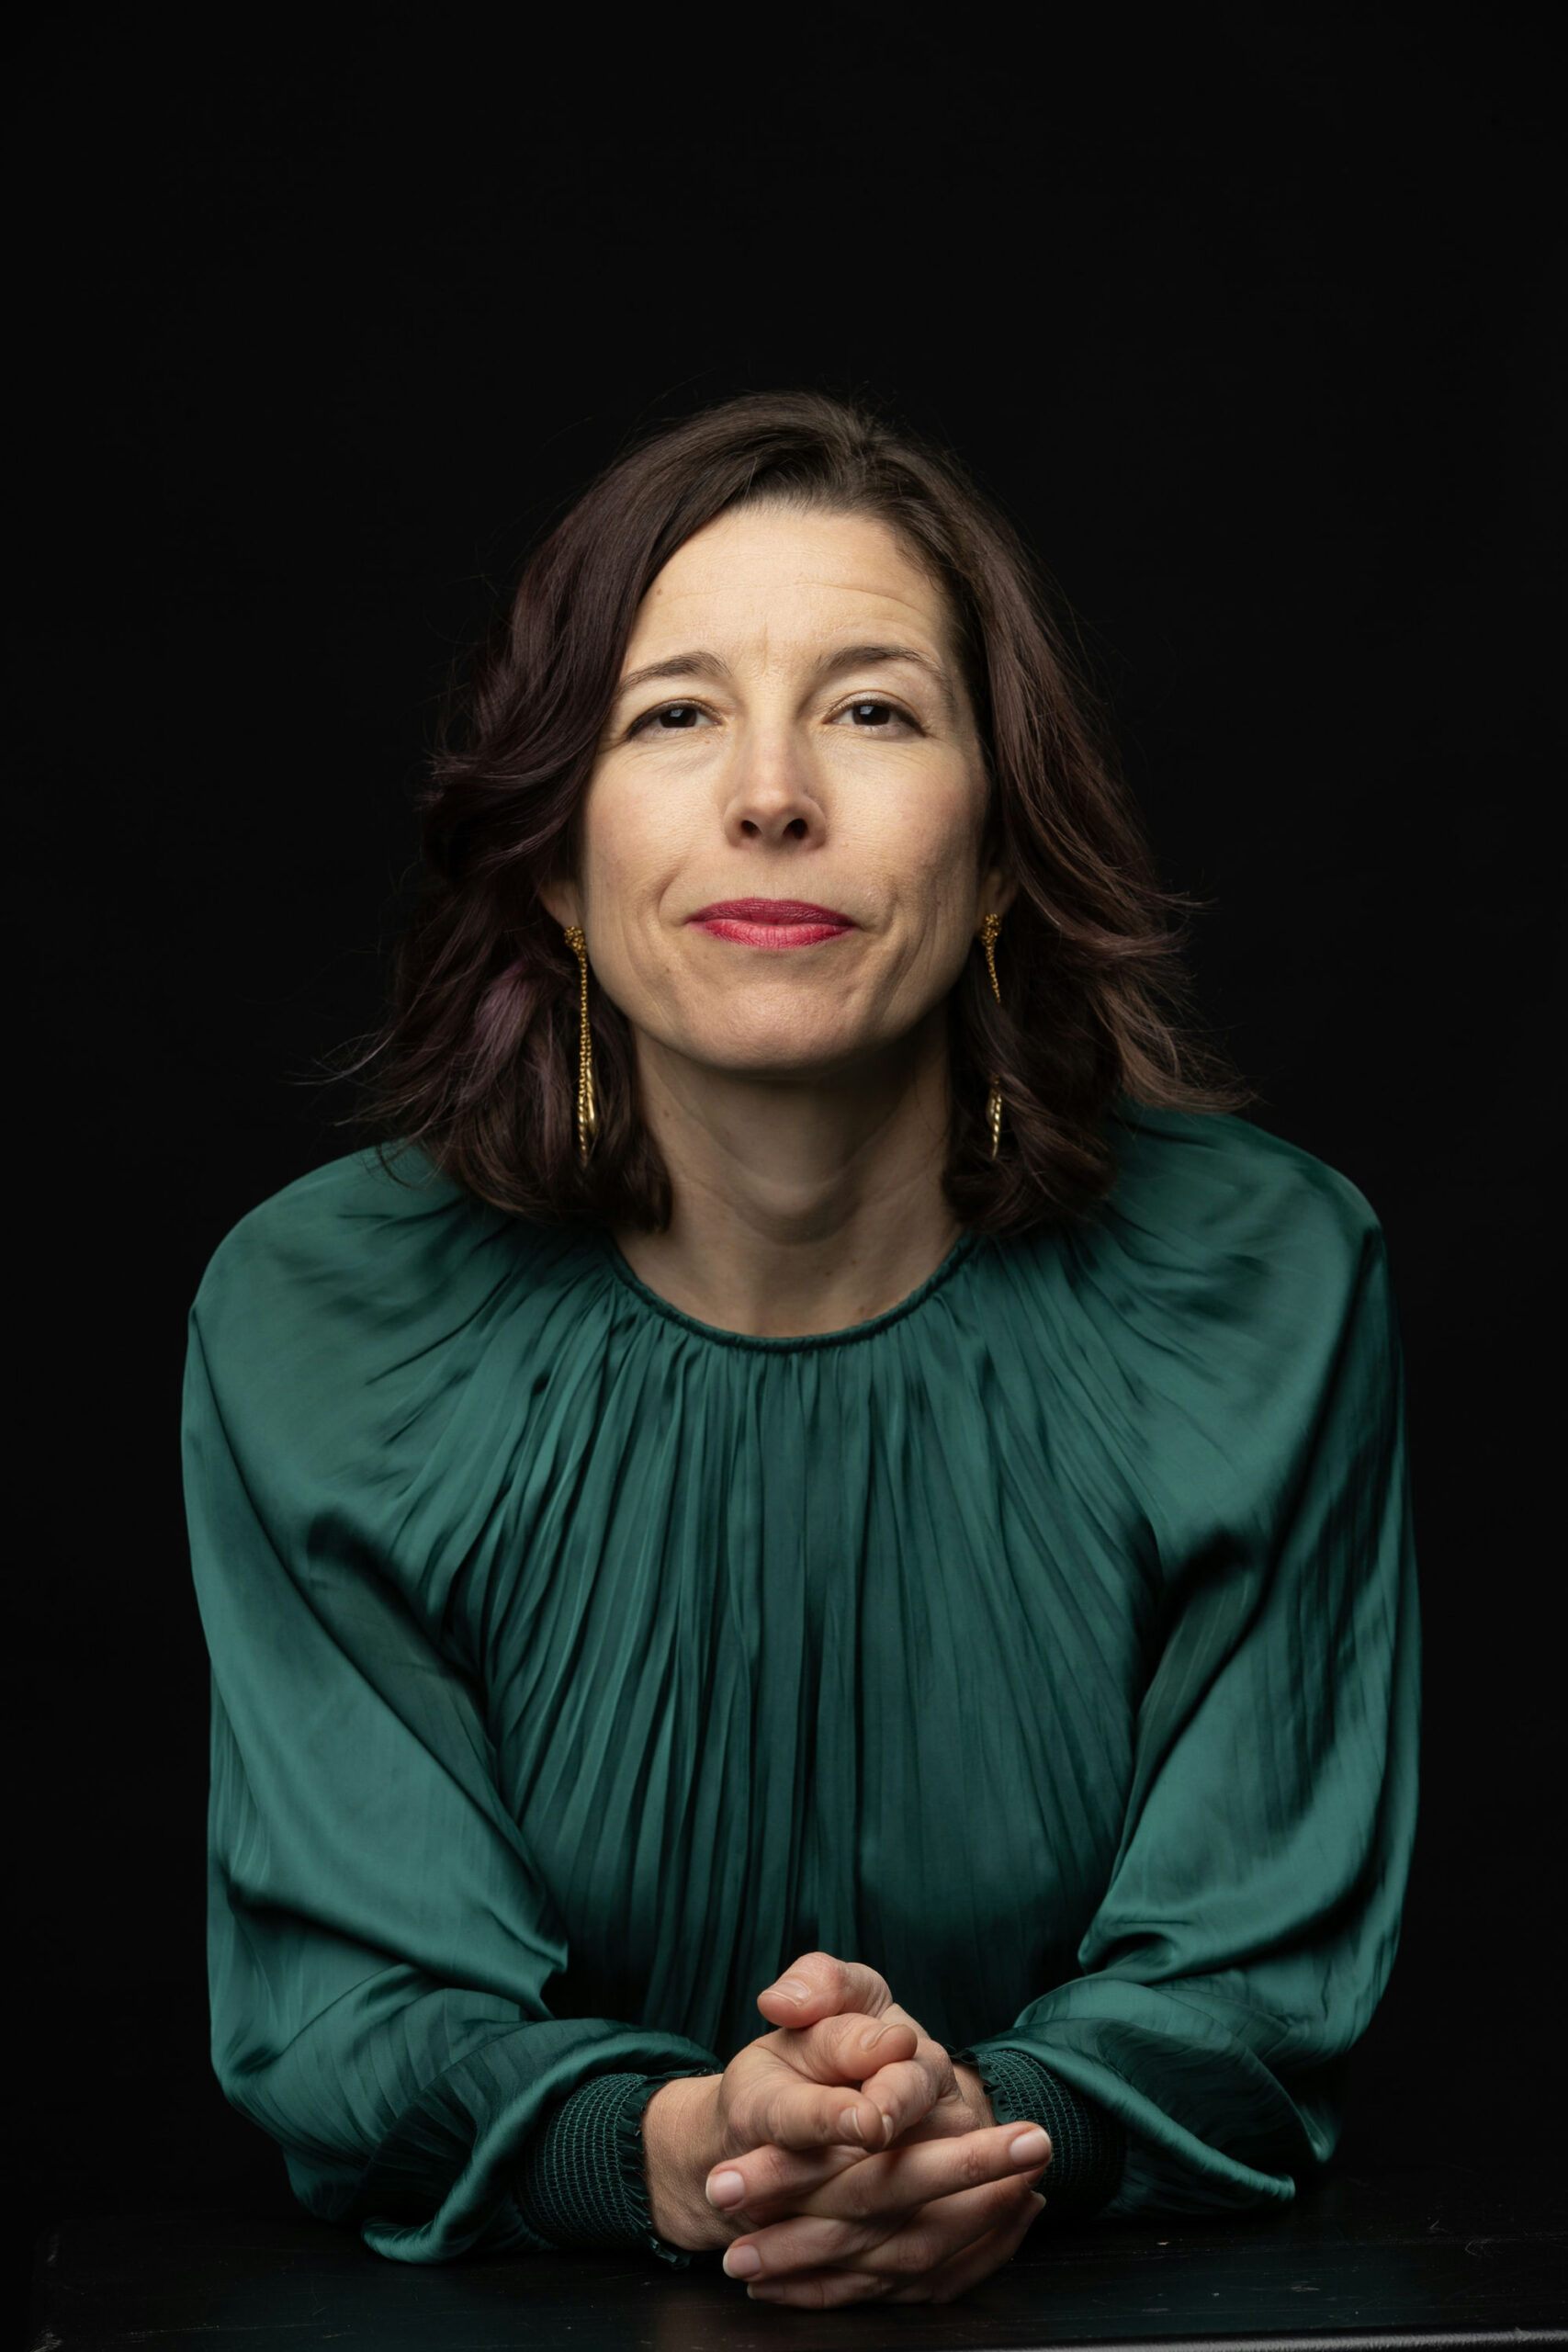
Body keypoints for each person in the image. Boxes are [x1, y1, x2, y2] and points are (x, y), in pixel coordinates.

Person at [181, 391, 1421, 2311]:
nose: (771, 794)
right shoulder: (321, 1321)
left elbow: (1253, 1981)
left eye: (873, 711)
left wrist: (984, 2131)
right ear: (553, 860)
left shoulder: (1262, 1286)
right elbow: (359, 2009)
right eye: (673, 714)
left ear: (998, 850)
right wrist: (679, 2151)